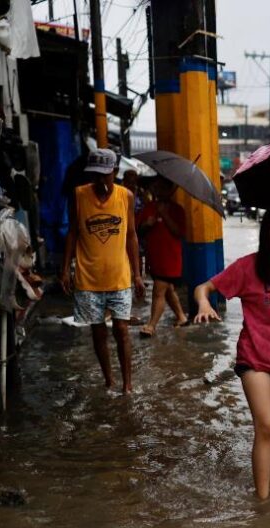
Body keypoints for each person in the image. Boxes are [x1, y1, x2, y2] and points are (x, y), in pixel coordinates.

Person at [192, 208, 270, 500]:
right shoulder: (248, 267)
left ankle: (264, 471)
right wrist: (205, 304)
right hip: (254, 358)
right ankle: (262, 501)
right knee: (266, 425)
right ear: (266, 235)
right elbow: (203, 287)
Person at [59, 148, 144, 392]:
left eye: (104, 175)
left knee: (121, 329)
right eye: (94, 175)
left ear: (114, 173)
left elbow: (131, 236)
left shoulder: (126, 196)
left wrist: (137, 274)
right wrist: (65, 270)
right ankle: (109, 380)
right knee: (98, 332)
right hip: (88, 277)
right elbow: (73, 233)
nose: (99, 181)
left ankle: (127, 385)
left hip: (120, 275)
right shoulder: (78, 195)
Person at [138, 178, 188, 336]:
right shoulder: (149, 208)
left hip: (170, 259)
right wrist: (147, 224)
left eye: (162, 187)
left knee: (159, 290)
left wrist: (165, 215)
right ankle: (181, 317)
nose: (158, 190)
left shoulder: (177, 210)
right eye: (157, 187)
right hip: (155, 258)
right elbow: (138, 230)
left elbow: (179, 232)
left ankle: (151, 326)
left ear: (169, 189)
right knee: (168, 290)